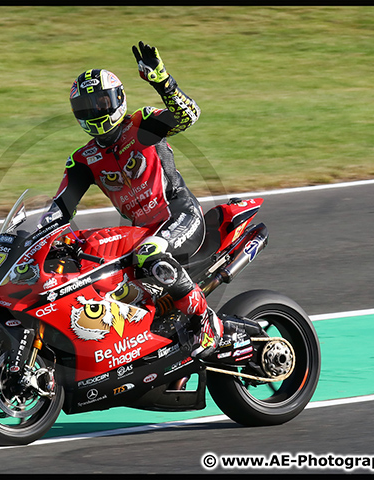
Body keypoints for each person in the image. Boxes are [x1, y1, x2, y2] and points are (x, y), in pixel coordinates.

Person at [52, 41, 261, 365]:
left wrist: (162, 81)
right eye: (87, 108)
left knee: (150, 252)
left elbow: (188, 115)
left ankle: (207, 323)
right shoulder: (84, 159)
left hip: (180, 214)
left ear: (118, 100)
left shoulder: (143, 124)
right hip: (141, 232)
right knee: (102, 278)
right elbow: (60, 209)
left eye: (101, 103)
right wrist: (37, 240)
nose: (95, 113)